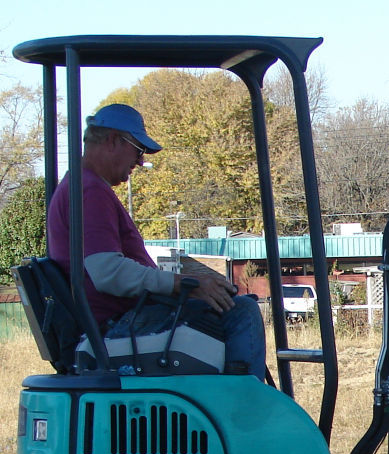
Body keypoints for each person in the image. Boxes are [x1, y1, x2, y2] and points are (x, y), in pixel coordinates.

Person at [47, 103, 266, 380]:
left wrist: (186, 286)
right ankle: (246, 411)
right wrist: (181, 286)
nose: (139, 162)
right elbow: (107, 273)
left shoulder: (79, 186)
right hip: (111, 328)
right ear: (113, 140)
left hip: (110, 322)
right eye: (138, 150)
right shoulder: (90, 191)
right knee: (240, 310)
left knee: (222, 301)